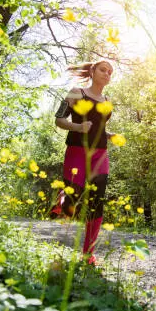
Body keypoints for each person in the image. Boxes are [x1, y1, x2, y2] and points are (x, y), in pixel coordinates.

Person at [52, 60, 115, 265]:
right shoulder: (76, 92)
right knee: (73, 198)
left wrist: (109, 134)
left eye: (110, 72)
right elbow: (59, 120)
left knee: (97, 202)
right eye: (103, 69)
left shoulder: (107, 102)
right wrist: (78, 128)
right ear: (92, 71)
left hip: (100, 154)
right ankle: (62, 200)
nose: (107, 73)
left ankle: (88, 254)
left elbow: (98, 127)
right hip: (77, 150)